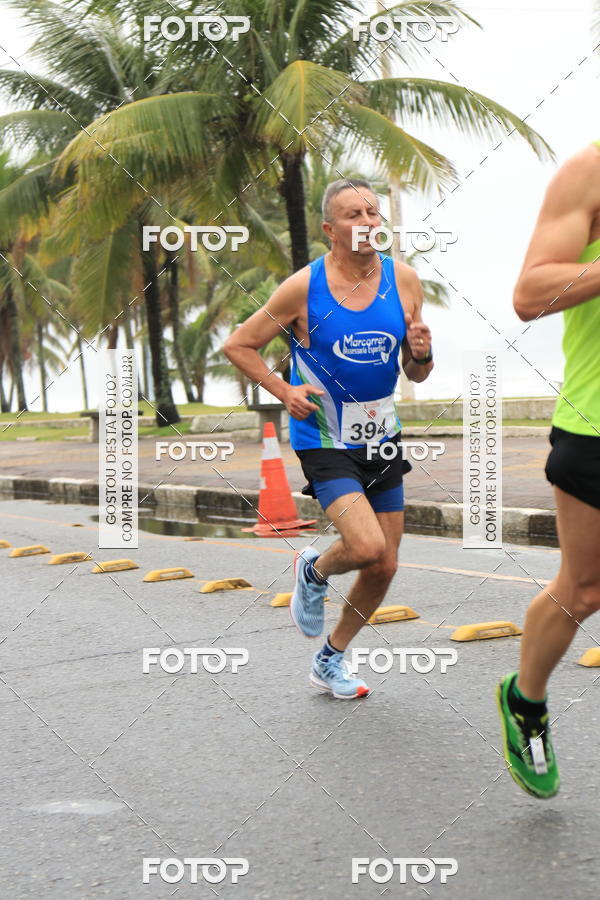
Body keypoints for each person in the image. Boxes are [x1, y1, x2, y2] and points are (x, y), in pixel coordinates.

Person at [224, 178, 433, 699]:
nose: (366, 221)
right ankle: (313, 569)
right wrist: (282, 389)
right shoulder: (303, 288)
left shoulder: (404, 281)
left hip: (382, 436)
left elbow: (417, 372)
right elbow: (240, 344)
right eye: (352, 214)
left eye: (372, 212)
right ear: (329, 229)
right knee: (364, 545)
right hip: (324, 436)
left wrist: (423, 354)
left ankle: (330, 659)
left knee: (384, 563)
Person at [497, 142, 600, 798]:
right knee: (586, 589)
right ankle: (526, 702)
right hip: (595, 423)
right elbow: (530, 294)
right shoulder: (589, 173)